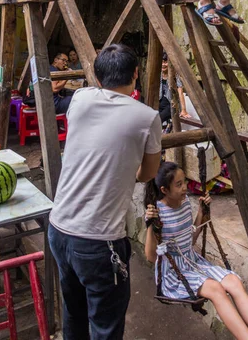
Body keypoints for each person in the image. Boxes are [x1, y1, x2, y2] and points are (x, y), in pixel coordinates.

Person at [49, 44, 162, 340]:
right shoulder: (147, 117)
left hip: (59, 229)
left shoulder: (80, 99)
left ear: (97, 78)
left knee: (74, 313)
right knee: (106, 325)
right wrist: (128, 171)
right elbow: (148, 173)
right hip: (99, 243)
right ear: (136, 74)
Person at [145, 162, 248, 340]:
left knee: (234, 281)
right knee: (215, 289)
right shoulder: (157, 213)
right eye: (179, 184)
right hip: (174, 272)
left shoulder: (186, 202)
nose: (185, 188)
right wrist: (150, 226)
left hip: (193, 262)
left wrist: (201, 213)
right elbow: (151, 257)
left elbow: (190, 240)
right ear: (164, 190)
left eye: (185, 182)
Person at [159, 52, 190, 123]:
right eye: (162, 62)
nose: (163, 64)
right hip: (159, 102)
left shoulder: (175, 76)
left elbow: (180, 93)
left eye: (165, 62)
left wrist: (183, 110)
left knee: (159, 118)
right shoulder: (159, 74)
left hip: (171, 104)